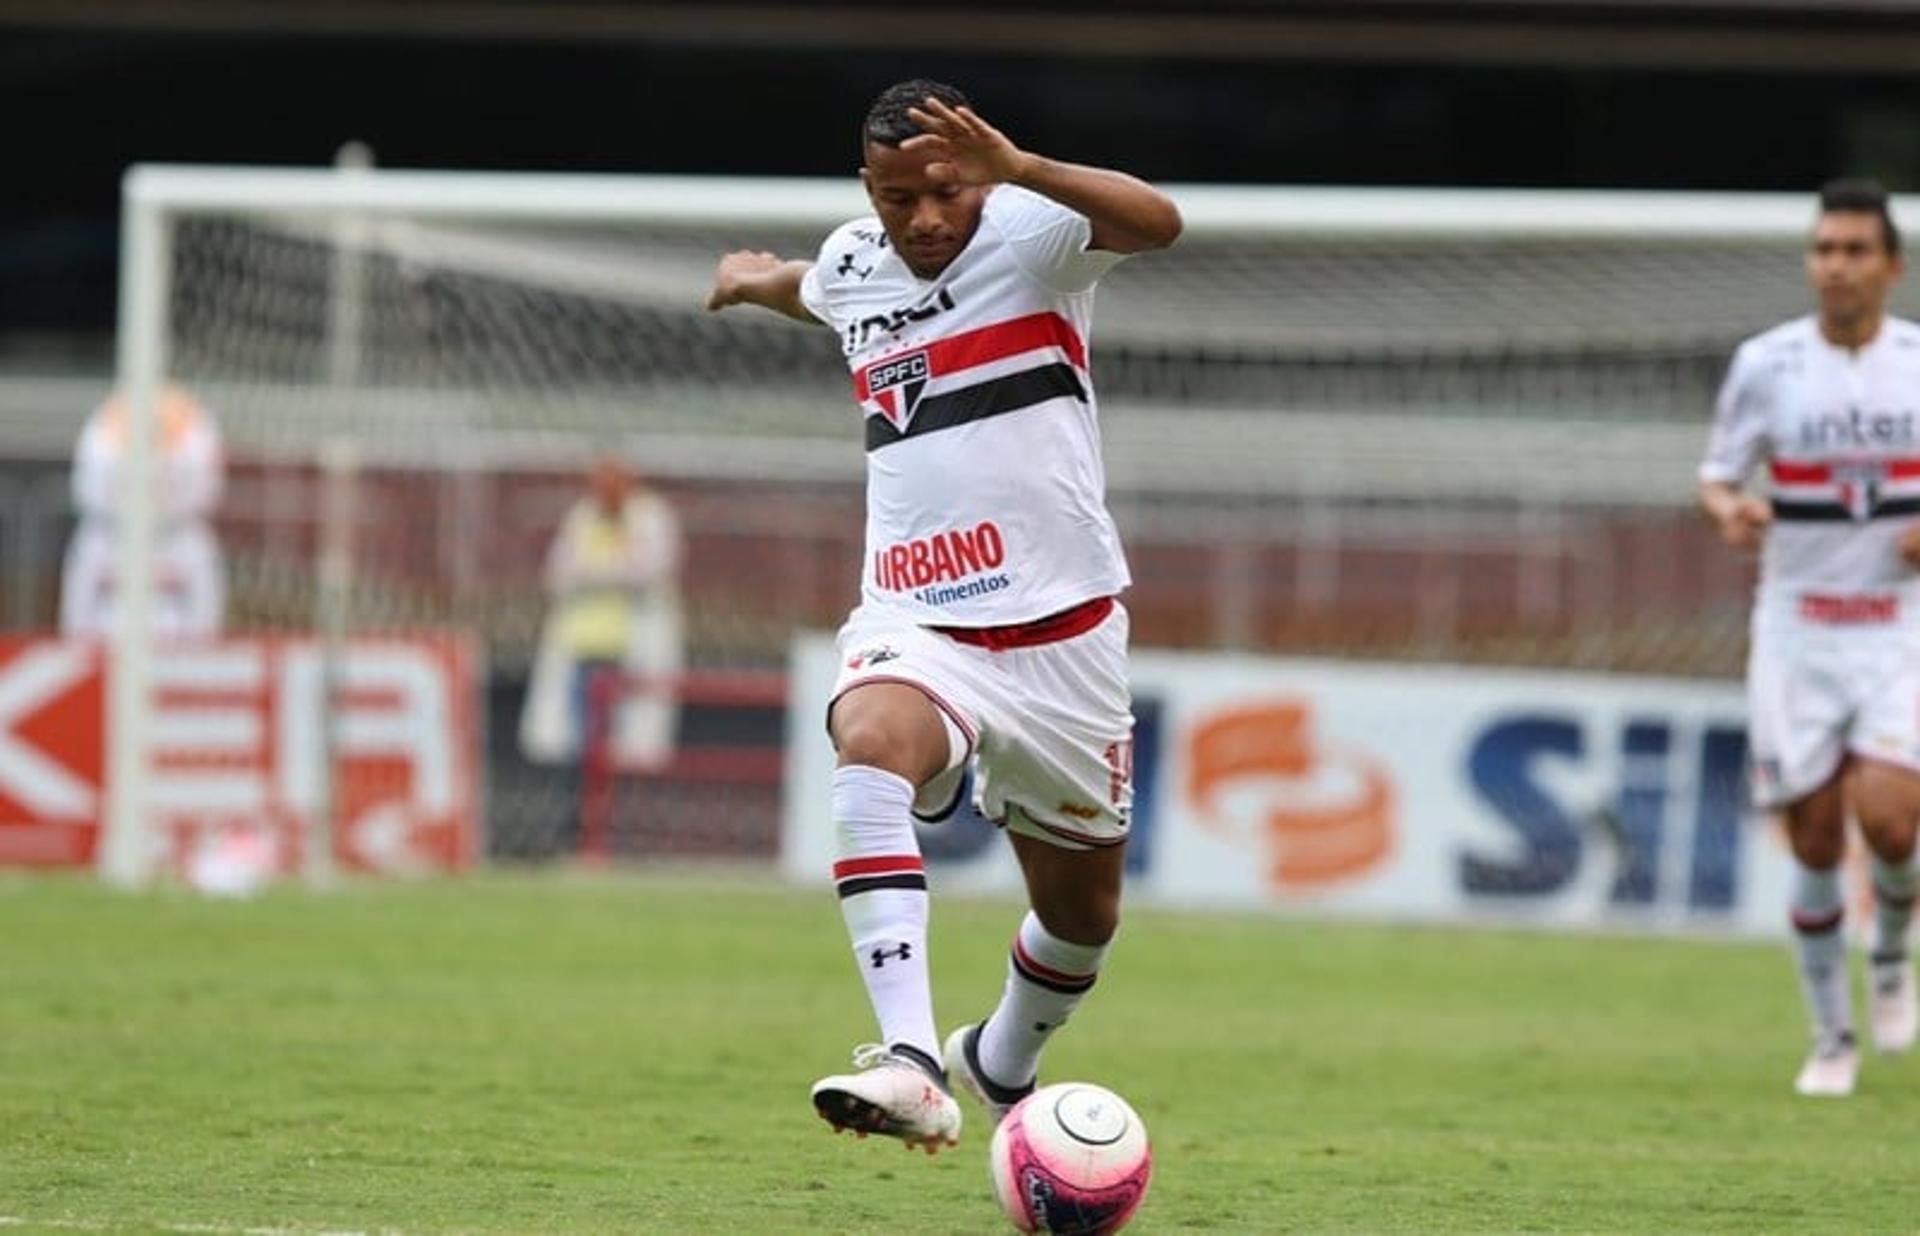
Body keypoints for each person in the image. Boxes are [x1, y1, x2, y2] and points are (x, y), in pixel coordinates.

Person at [706, 79, 1181, 1151]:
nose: (922, 219)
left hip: (1065, 636)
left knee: (1082, 918)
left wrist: (1022, 170)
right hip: (917, 622)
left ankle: (997, 1060)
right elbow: (808, 285)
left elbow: (1160, 222)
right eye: (895, 198)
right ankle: (913, 1060)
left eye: (944, 191)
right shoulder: (855, 262)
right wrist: (750, 278)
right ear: (867, 191)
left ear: (976, 172)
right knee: (869, 739)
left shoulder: (1033, 237)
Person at [1699, 178, 1920, 1098]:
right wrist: (1733, 511)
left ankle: (1894, 954)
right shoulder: (1766, 364)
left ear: (1891, 267)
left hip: (1899, 623)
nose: (1836, 266)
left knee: (1892, 818)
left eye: (1855, 250)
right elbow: (1716, 473)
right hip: (1795, 627)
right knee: (1818, 840)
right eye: (1824, 249)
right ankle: (1832, 1038)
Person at [520, 454, 686, 837]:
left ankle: (622, 830)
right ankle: (579, 830)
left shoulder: (649, 518)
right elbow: (560, 571)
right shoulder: (582, 517)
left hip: (630, 653)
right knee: (581, 748)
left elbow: (647, 569)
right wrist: (609, 570)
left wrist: (595, 572)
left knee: (626, 746)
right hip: (582, 648)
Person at [59, 382, 226, 641]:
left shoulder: (191, 544)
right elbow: (76, 620)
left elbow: (205, 621)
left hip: (174, 664)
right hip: (106, 660)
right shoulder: (96, 541)